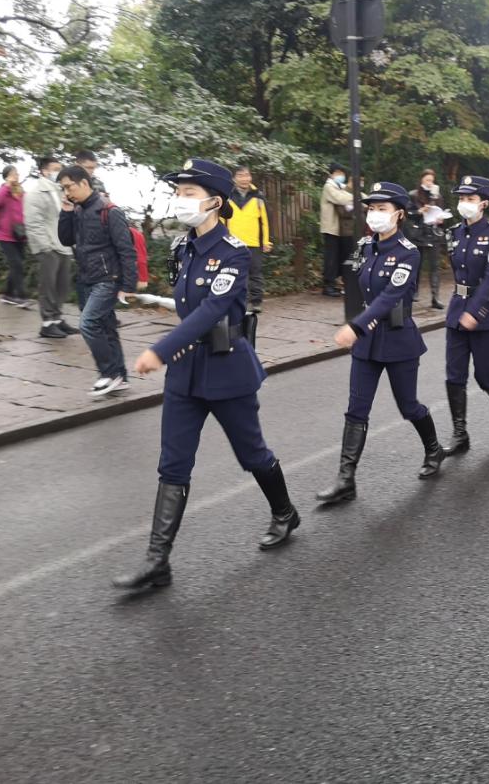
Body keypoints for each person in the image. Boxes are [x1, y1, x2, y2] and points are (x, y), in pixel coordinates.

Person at [112, 160, 300, 590]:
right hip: (185, 375)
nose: (182, 200)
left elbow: (212, 311)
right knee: (173, 463)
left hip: (226, 369)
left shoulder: (234, 252)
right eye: (178, 193)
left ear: (215, 200)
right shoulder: (183, 248)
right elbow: (186, 305)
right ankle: (158, 561)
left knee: (252, 454)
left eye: (190, 193)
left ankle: (285, 512)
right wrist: (154, 302)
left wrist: (159, 350)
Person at [316, 181, 445, 505]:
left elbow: (390, 296)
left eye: (382, 209)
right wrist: (360, 325)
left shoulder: (408, 253)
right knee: (356, 408)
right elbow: (363, 290)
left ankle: (434, 449)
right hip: (368, 342)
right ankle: (346, 479)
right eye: (371, 209)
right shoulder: (366, 247)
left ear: (399, 214)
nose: (375, 214)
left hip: (398, 339)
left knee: (408, 406)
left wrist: (356, 326)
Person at [440, 175, 489, 456]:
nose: (465, 204)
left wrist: (474, 312)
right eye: (461, 198)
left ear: (483, 203)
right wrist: (461, 309)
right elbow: (457, 271)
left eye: (470, 199)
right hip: (457, 310)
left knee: (485, 376)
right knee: (454, 375)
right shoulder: (454, 233)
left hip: (483, 314)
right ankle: (460, 434)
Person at [58, 164, 139, 395]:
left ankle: (108, 373)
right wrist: (65, 211)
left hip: (107, 278)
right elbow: (65, 240)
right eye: (63, 189)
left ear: (84, 183)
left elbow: (127, 250)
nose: (67, 192)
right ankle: (121, 377)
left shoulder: (109, 210)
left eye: (68, 187)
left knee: (88, 324)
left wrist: (127, 285)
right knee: (106, 327)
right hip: (85, 278)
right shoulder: (77, 210)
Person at [24, 156, 77, 336]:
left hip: (63, 245)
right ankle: (47, 323)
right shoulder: (36, 193)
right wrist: (45, 246)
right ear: (44, 171)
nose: (59, 172)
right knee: (48, 286)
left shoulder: (62, 191)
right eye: (55, 169)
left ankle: (57, 318)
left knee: (62, 285)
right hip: (48, 246)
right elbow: (33, 222)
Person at [227, 166, 271, 312]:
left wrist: (266, 241)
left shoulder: (258, 197)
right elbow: (222, 220)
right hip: (233, 243)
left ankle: (256, 302)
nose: (244, 178)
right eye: (240, 175)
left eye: (247, 175)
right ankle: (241, 301)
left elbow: (265, 221)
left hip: (254, 242)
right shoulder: (228, 196)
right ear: (234, 179)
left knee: (255, 273)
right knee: (237, 273)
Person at [405, 170, 446, 309]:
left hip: (433, 233)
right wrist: (419, 211)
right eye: (427, 180)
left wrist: (440, 218)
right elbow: (407, 213)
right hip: (418, 233)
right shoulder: (413, 195)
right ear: (421, 180)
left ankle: (435, 297)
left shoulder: (437, 196)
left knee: (435, 266)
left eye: (432, 180)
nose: (430, 183)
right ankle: (413, 292)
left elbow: (441, 212)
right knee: (417, 263)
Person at [0, 165, 29, 307]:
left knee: (17, 265)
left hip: (19, 234)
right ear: (6, 176)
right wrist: (7, 185)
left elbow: (26, 208)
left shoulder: (20, 192)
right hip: (5, 235)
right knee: (16, 264)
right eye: (12, 174)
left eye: (17, 173)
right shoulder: (3, 191)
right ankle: (21, 296)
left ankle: (8, 295)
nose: (16, 176)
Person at [320, 163, 356, 297]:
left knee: (336, 257)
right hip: (330, 228)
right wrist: (357, 196)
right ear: (332, 174)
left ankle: (333, 284)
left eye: (342, 173)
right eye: (338, 173)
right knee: (330, 258)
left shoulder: (338, 186)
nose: (341, 176)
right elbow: (340, 198)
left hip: (336, 228)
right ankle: (328, 285)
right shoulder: (329, 187)